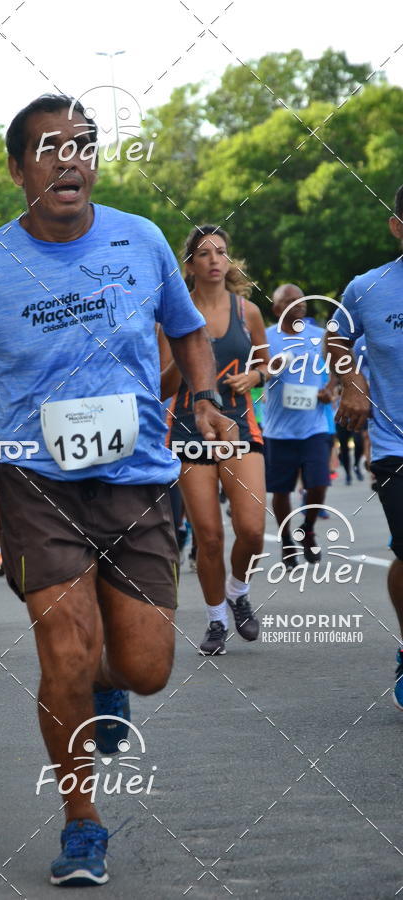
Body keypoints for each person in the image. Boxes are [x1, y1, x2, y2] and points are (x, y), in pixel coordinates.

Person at [0, 93, 228, 886]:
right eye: (48, 148)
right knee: (64, 651)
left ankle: (107, 688)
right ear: (18, 171)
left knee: (144, 667)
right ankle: (82, 819)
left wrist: (205, 396)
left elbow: (187, 329)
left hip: (138, 478)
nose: (68, 158)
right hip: (37, 481)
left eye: (81, 144)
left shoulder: (140, 240)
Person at [161, 225, 269, 656]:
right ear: (190, 265)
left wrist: (257, 375)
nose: (213, 260)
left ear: (229, 261)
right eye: (203, 253)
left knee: (252, 529)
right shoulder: (174, 313)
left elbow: (267, 362)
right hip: (189, 428)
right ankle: (215, 620)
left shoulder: (249, 312)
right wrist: (189, 358)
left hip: (240, 426)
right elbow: (164, 384)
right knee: (208, 535)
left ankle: (237, 590)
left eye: (220, 252)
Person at [329, 184, 403, 710]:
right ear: (396, 226)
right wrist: (353, 384)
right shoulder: (367, 288)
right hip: (396, 442)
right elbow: (336, 336)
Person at [263, 285, 335, 569]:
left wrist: (332, 389)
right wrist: (270, 368)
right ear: (277, 308)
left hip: (314, 425)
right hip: (278, 429)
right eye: (290, 301)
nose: (299, 305)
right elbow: (256, 369)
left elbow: (338, 371)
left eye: (301, 300)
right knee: (281, 491)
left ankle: (307, 528)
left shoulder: (319, 337)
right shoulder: (266, 338)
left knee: (318, 484)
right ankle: (287, 540)